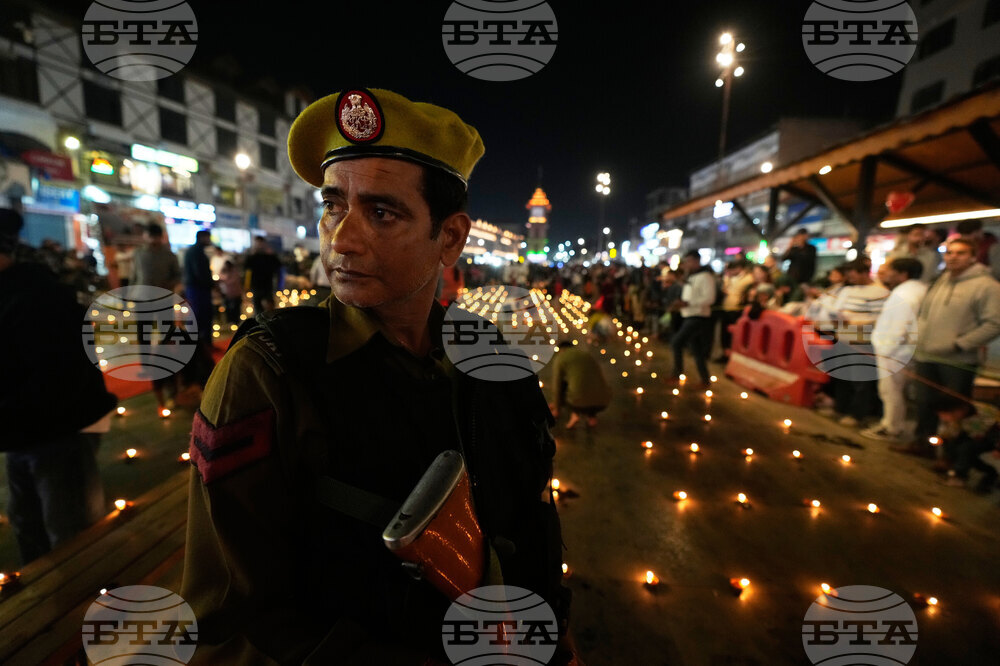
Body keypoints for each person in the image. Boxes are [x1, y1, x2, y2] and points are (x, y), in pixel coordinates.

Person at [181, 88, 574, 664]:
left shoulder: (492, 356)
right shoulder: (269, 370)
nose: (341, 239)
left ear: (450, 238)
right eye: (334, 205)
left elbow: (532, 518)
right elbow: (233, 613)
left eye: (382, 212)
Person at [0, 209, 116, 565]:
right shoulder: (18, 292)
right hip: (20, 436)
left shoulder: (35, 297)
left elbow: (58, 378)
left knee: (72, 541)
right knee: (30, 530)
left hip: (54, 435)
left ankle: (76, 614)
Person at [897, 237, 1000, 457]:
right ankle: (923, 444)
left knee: (953, 410)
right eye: (949, 252)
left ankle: (953, 457)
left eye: (960, 253)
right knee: (924, 402)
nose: (953, 257)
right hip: (926, 354)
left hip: (957, 360)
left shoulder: (987, 286)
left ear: (973, 256)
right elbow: (924, 314)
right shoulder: (941, 280)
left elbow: (995, 323)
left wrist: (960, 344)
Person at [860, 258, 927, 441]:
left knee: (891, 391)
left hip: (895, 351)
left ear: (902, 274)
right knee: (894, 391)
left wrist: (885, 348)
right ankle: (891, 425)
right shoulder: (915, 291)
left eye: (889, 270)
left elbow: (900, 326)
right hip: (900, 350)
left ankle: (891, 427)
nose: (885, 275)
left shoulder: (906, 295)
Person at [827, 260, 890, 427]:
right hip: (842, 337)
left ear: (864, 273)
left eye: (853, 275)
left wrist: (853, 324)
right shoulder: (847, 290)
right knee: (841, 376)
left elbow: (879, 319)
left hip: (862, 341)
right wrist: (834, 318)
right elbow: (836, 309)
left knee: (860, 380)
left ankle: (857, 414)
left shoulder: (880, 292)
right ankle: (840, 408)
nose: (850, 279)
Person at [130, 222, 183, 410]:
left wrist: (168, 285)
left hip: (163, 300)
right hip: (141, 299)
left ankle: (167, 367)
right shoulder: (138, 254)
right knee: (143, 336)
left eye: (155, 236)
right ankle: (146, 368)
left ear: (161, 237)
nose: (152, 240)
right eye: (149, 236)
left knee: (166, 335)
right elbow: (133, 276)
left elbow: (178, 275)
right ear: (145, 236)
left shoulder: (170, 255)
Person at [668, 250, 716, 388]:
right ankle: (705, 379)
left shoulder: (705, 276)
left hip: (698, 316)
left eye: (688, 261)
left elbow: (709, 298)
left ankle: (677, 374)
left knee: (676, 343)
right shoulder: (691, 277)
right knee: (697, 350)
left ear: (696, 261)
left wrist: (688, 303)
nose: (686, 264)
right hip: (689, 314)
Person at [935, 396, 1000, 493]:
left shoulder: (986, 412)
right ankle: (989, 472)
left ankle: (959, 476)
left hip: (991, 438)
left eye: (944, 414)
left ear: (958, 410)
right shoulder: (958, 419)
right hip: (972, 437)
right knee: (956, 446)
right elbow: (951, 433)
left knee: (966, 449)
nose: (943, 417)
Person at [182, 229, 217, 389]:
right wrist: (211, 284)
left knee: (200, 317)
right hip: (198, 290)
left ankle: (204, 345)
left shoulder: (195, 251)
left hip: (196, 289)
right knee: (200, 317)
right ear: (202, 237)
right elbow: (199, 273)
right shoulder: (196, 253)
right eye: (208, 237)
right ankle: (201, 347)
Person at [549, 340, 612, 429]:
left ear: (560, 349)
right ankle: (592, 417)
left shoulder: (560, 357)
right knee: (587, 382)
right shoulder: (585, 355)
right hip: (602, 402)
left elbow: (557, 385)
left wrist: (556, 408)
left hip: (578, 403)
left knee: (565, 383)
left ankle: (575, 413)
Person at [714, 259, 753, 362]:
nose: (729, 272)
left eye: (731, 270)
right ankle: (725, 354)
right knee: (724, 334)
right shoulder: (729, 278)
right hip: (726, 308)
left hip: (736, 310)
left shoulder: (748, 279)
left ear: (739, 268)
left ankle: (731, 356)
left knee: (733, 335)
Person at [244, 235, 282, 313]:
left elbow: (278, 266)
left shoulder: (269, 256)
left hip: (267, 284)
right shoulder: (252, 257)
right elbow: (246, 268)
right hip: (256, 285)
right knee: (257, 307)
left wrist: (272, 254)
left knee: (270, 306)